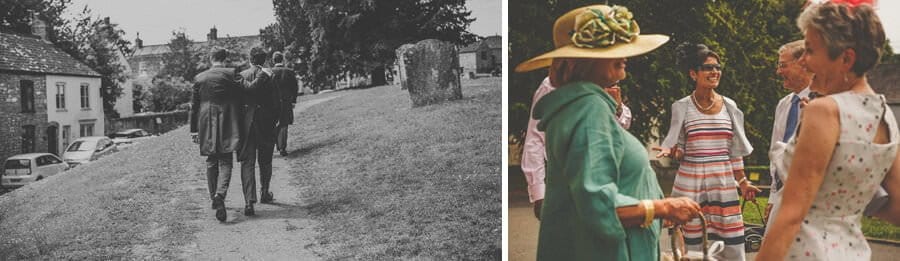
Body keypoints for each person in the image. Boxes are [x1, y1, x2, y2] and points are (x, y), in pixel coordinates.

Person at [514, 5, 703, 260]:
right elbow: (598, 205)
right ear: (583, 60)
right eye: (613, 49)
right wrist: (662, 207)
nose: (625, 55)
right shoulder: (588, 109)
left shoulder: (583, 106)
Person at [756, 1, 900, 260]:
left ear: (846, 58)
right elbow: (897, 208)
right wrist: (845, 197)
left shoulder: (824, 111)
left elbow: (791, 215)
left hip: (804, 252)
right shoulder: (885, 115)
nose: (804, 62)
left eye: (810, 51)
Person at [654, 42, 760, 260]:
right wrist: (674, 152)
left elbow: (735, 149)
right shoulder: (681, 106)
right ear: (693, 73)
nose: (715, 72)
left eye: (718, 67)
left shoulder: (730, 106)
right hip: (691, 182)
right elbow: (680, 147)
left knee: (731, 242)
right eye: (708, 67)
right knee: (694, 245)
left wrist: (743, 182)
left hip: (723, 183)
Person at [520, 74, 633, 220]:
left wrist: (617, 107)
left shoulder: (605, 81)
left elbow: (622, 126)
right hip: (566, 180)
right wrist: (538, 193)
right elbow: (535, 138)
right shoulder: (552, 85)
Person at [189, 47, 243, 222]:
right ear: (225, 58)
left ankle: (214, 197)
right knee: (226, 159)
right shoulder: (231, 74)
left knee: (211, 160)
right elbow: (241, 95)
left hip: (206, 120)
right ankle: (220, 194)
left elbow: (194, 107)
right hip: (226, 118)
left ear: (210, 59)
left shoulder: (199, 78)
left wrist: (193, 130)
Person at [765, 40, 814, 222]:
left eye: (782, 65)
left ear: (803, 64)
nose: (778, 71)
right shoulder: (783, 105)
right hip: (781, 196)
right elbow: (774, 153)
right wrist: (772, 197)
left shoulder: (825, 101)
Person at [236, 47, 278, 216]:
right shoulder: (270, 76)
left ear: (250, 59)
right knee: (265, 160)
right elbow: (277, 102)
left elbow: (237, 103)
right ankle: (264, 192)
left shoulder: (242, 76)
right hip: (266, 123)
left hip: (246, 124)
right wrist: (275, 120)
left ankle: (248, 202)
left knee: (247, 163)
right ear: (264, 60)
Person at [271, 51, 299, 158]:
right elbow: (294, 87)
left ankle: (276, 146)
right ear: (282, 59)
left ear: (273, 60)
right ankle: (282, 147)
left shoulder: (270, 72)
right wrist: (293, 101)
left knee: (274, 124)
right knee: (284, 124)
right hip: (286, 101)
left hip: (273, 102)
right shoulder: (289, 72)